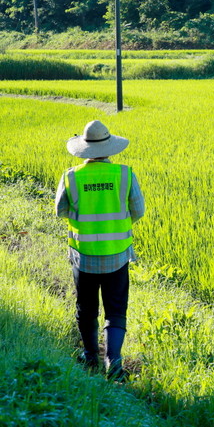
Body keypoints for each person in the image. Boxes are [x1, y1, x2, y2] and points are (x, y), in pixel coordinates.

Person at [55, 120, 145, 381]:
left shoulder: (71, 176)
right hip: (117, 255)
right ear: (109, 148)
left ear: (84, 148)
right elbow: (138, 210)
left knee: (86, 307)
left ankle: (90, 356)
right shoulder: (125, 174)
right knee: (116, 308)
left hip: (83, 256)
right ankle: (113, 363)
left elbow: (60, 211)